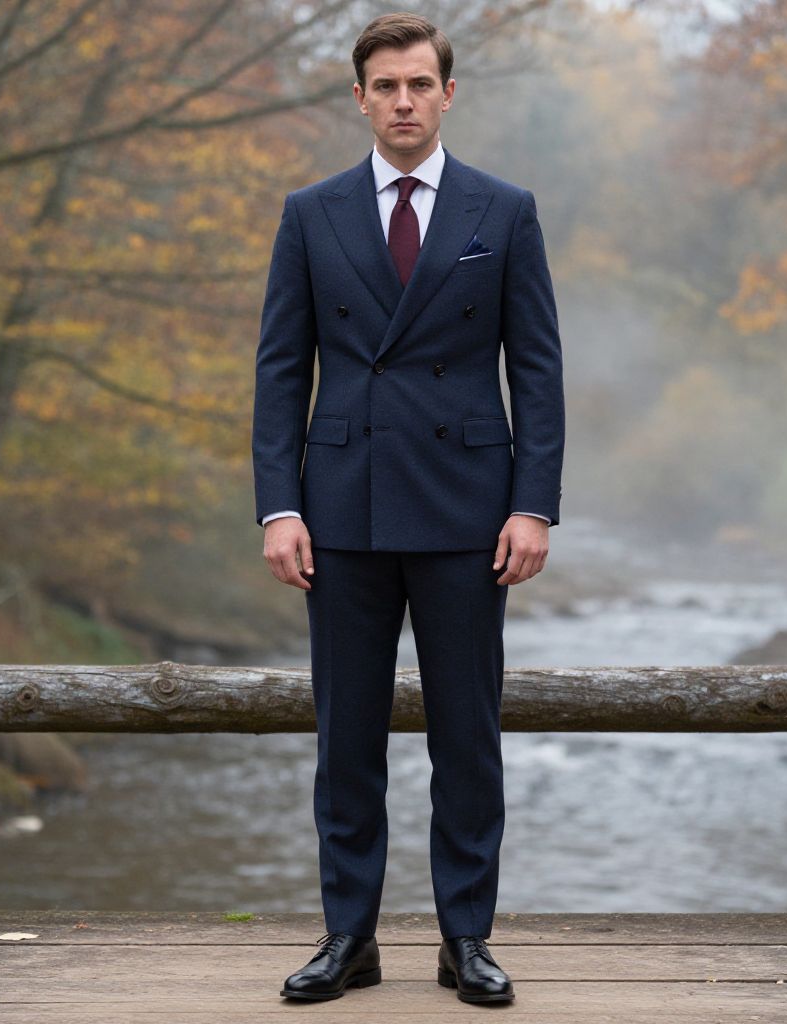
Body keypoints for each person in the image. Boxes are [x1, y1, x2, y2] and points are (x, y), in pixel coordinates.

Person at [252, 11, 564, 1005]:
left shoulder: (502, 210)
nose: (401, 101)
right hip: (338, 512)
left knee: (464, 735)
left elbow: (539, 372)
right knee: (346, 735)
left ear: (446, 93)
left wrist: (534, 506)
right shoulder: (311, 212)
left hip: (470, 515)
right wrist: (276, 506)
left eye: (418, 84)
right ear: (358, 96)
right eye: (383, 85)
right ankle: (349, 936)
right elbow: (277, 373)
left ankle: (464, 936)